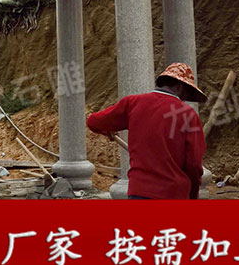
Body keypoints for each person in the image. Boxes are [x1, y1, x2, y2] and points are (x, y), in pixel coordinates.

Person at [86, 62, 207, 200]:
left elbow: (93, 122)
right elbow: (194, 164)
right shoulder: (188, 115)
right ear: (180, 87)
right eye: (187, 93)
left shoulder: (132, 103)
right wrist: (193, 193)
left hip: (139, 192)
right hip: (172, 193)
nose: (184, 99)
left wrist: (107, 130)